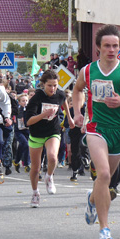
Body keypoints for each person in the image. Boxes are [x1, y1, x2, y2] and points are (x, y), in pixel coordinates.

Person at [72, 24, 120, 239]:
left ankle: (92, 198)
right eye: (107, 46)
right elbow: (77, 90)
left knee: (107, 181)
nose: (112, 50)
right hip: (96, 128)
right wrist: (77, 113)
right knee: (103, 174)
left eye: (115, 46)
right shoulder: (88, 70)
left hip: (119, 132)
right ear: (98, 48)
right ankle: (104, 228)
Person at [25, 69, 74, 208]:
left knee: (52, 157)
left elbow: (63, 101)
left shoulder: (59, 94)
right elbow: (28, 121)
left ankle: (49, 176)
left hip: (53, 130)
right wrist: (43, 114)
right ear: (43, 84)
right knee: (35, 168)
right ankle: (35, 193)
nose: (53, 88)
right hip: (36, 133)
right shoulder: (36, 98)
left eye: (55, 85)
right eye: (49, 85)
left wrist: (69, 118)